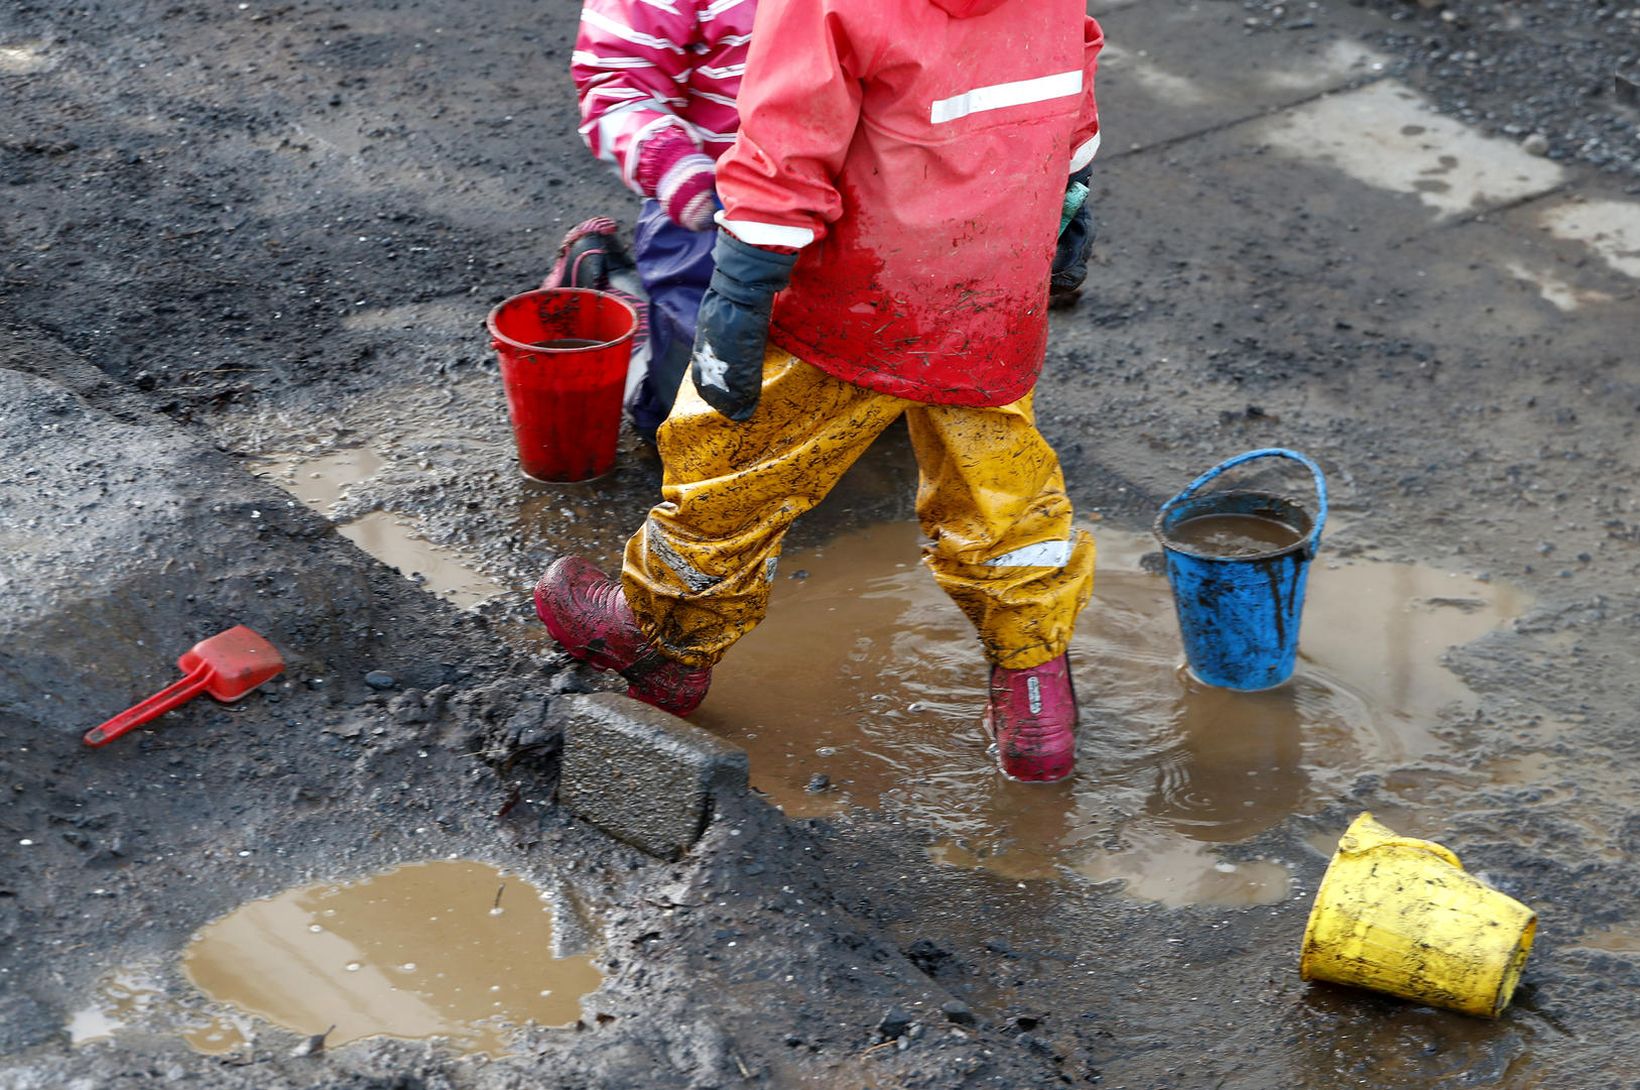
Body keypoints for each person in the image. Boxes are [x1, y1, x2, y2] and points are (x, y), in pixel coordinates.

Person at [537, 0, 1103, 783]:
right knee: (1003, 494)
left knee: (732, 459)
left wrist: (737, 296)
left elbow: (784, 150)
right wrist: (1070, 205)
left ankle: (666, 642)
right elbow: (1068, 91)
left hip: (854, 298)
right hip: (991, 290)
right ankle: (1036, 698)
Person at [544, 0, 756, 441]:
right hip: (713, 206)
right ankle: (620, 306)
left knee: (874, 387)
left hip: (859, 215)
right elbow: (616, 76)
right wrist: (668, 160)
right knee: (693, 424)